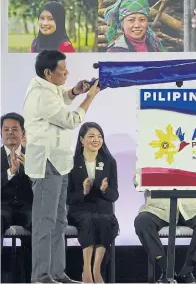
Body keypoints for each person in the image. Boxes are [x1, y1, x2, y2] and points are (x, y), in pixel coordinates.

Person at [23, 49, 100, 283]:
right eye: (62, 70)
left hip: (60, 162)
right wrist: (89, 98)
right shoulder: (40, 95)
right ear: (48, 72)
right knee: (45, 222)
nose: (67, 72)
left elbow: (61, 97)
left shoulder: (49, 87)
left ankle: (57, 272)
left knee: (59, 222)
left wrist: (75, 91)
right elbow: (70, 120)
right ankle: (41, 275)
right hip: (47, 164)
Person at [133, 174, 196, 283]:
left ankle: (187, 271)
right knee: (142, 221)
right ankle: (167, 271)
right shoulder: (149, 157)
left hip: (192, 208)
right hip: (159, 208)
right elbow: (137, 181)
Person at [67, 122, 119, 283]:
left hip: (103, 209)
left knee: (104, 221)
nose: (96, 140)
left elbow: (114, 195)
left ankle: (96, 269)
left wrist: (104, 189)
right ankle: (86, 270)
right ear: (82, 140)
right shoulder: (71, 162)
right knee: (88, 220)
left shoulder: (109, 161)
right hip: (79, 210)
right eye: (91, 136)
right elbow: (67, 197)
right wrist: (83, 192)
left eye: (99, 136)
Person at [1, 113, 33, 250]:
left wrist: (31, 170)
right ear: (1, 133)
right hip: (2, 207)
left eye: (14, 129)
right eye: (6, 129)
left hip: (28, 208)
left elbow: (44, 187)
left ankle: (37, 270)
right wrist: (10, 172)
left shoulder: (34, 156)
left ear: (23, 132)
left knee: (42, 222)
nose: (10, 133)